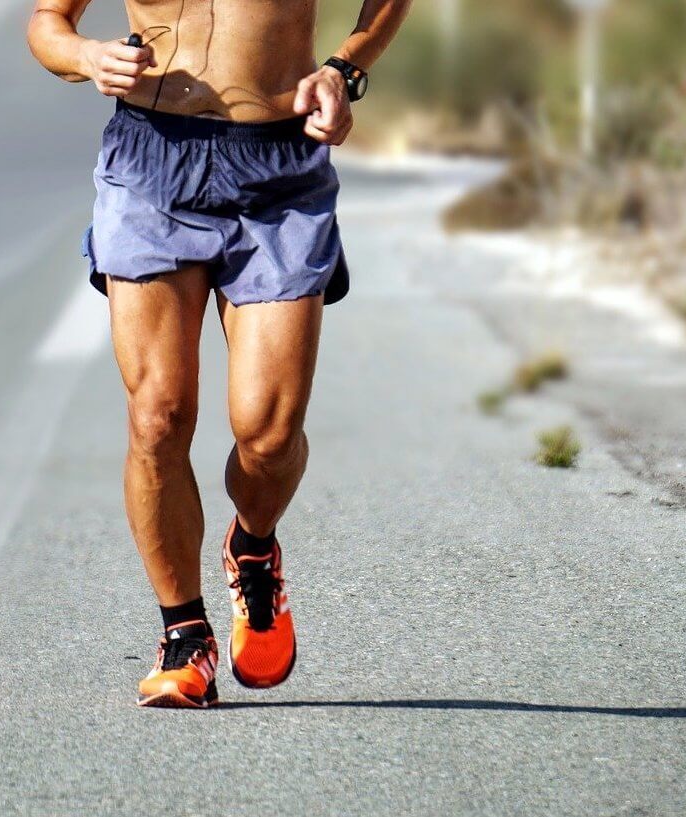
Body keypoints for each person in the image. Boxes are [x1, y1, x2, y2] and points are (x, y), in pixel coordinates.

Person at [27, 0, 411, 708]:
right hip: (150, 161)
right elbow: (48, 22)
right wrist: (87, 57)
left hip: (279, 168)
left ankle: (254, 545)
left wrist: (344, 68)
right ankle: (184, 635)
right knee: (158, 416)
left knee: (269, 435)